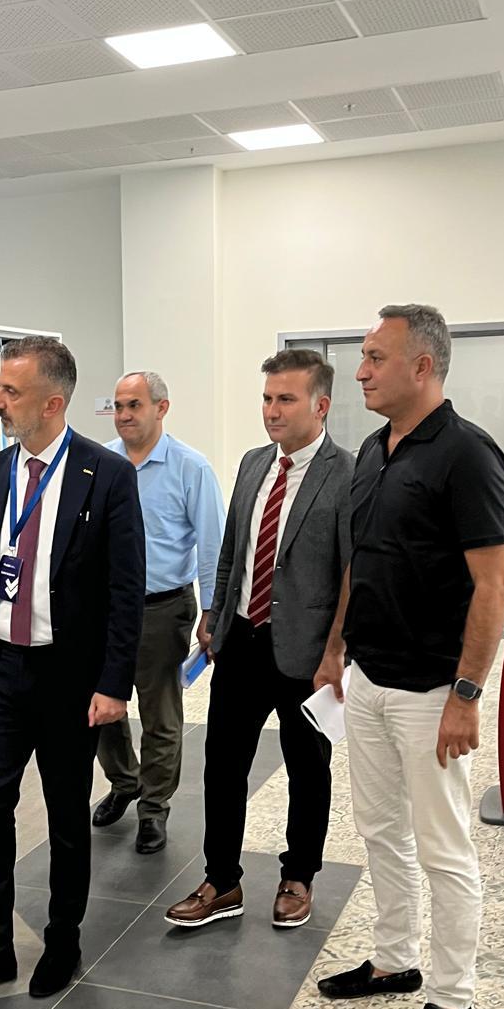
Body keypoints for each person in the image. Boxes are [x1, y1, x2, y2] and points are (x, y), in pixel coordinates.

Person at [316, 304, 504, 1009]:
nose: (360, 371)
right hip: (368, 678)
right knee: (380, 830)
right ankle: (394, 959)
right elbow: (359, 560)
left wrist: (467, 695)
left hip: (433, 690)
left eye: (375, 358)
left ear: (422, 366)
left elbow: (494, 584)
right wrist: (336, 649)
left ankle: (453, 997)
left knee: (444, 848)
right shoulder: (374, 449)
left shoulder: (468, 455)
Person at [0, 336, 144, 1001]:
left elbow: (125, 589)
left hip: (67, 679)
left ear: (52, 403)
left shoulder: (106, 474)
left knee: (66, 816)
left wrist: (113, 683)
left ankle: (63, 940)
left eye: (10, 392)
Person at [164, 348, 353, 931]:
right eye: (267, 398)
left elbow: (353, 573)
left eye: (286, 399)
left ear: (321, 405)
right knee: (222, 765)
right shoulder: (252, 464)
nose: (272, 410)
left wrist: (336, 653)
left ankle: (299, 876)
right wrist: (216, 613)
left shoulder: (347, 473)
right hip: (243, 639)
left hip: (307, 651)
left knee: (307, 768)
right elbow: (233, 550)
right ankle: (222, 880)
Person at [93, 371, 225, 854]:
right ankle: (124, 782)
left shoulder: (191, 467)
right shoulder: (101, 463)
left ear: (161, 408)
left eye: (135, 405)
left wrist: (211, 611)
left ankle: (153, 808)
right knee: (101, 705)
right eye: (118, 406)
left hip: (163, 608)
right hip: (105, 610)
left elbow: (212, 545)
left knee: (160, 716)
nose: (124, 415)